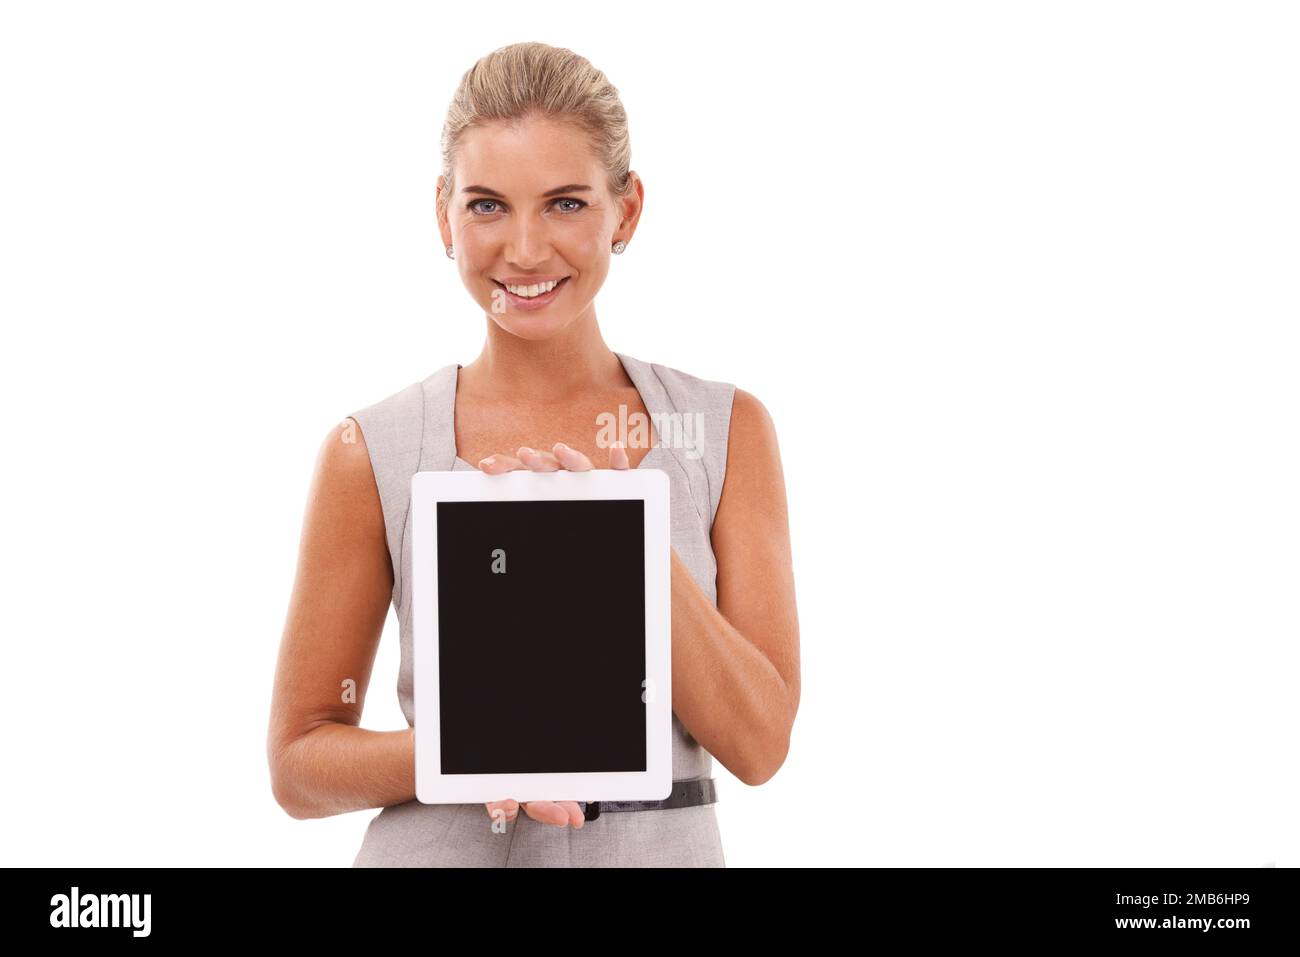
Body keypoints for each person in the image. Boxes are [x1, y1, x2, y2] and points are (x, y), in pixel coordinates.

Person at [267, 41, 800, 867]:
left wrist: (624, 546)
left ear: (626, 213)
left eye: (565, 204)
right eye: (486, 205)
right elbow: (299, 763)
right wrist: (478, 749)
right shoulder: (371, 449)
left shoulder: (725, 430)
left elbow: (761, 743)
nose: (522, 249)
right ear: (442, 213)